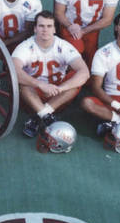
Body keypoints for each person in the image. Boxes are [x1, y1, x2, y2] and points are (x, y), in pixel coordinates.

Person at [12, 10, 89, 138]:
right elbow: (14, 70)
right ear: (35, 29)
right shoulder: (25, 46)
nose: (45, 30)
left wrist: (61, 88)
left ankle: (40, 116)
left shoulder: (63, 46)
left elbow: (84, 72)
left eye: (49, 26)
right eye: (41, 26)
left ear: (54, 29)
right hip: (32, 96)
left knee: (75, 81)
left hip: (57, 96)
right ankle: (47, 116)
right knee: (23, 83)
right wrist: (39, 84)